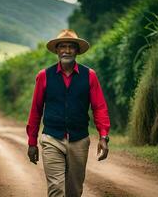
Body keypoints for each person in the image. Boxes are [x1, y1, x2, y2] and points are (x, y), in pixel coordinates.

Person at [26, 29, 110, 197]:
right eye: (62, 46)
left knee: (74, 191)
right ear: (57, 50)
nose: (66, 50)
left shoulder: (89, 76)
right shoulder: (44, 76)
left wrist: (103, 136)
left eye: (71, 46)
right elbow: (36, 110)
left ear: (77, 50)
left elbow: (99, 107)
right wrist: (32, 142)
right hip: (52, 139)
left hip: (79, 140)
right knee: (56, 189)